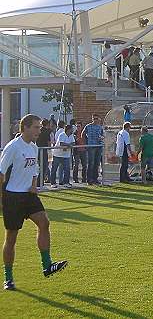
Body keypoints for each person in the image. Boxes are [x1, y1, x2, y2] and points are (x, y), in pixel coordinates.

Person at [0, 114, 68, 291]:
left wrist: (32, 185)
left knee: (44, 222)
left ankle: (47, 265)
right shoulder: (13, 147)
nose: (40, 130)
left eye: (40, 127)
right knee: (11, 238)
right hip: (12, 197)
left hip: (28, 196)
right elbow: (1, 174)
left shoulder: (33, 147)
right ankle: (8, 278)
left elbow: (34, 169)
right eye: (37, 127)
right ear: (26, 127)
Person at [83, 114, 104, 185]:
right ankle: (89, 179)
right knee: (91, 163)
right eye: (94, 118)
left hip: (98, 146)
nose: (95, 120)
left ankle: (95, 179)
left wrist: (101, 138)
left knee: (97, 163)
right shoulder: (88, 126)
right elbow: (83, 134)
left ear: (99, 119)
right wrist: (85, 143)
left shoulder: (100, 127)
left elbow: (103, 135)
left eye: (96, 118)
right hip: (91, 146)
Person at [36, 119, 52, 184]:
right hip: (44, 150)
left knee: (40, 166)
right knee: (44, 166)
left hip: (38, 149)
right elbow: (49, 141)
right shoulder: (47, 131)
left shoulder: (38, 130)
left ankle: (39, 181)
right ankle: (40, 181)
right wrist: (50, 149)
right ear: (47, 124)